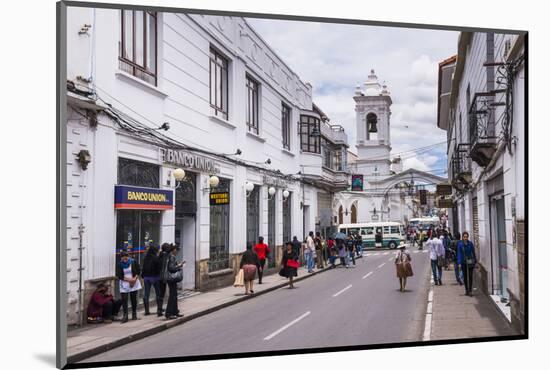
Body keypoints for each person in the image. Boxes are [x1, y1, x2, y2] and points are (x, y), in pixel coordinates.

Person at [116, 251, 142, 323]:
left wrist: (134, 279)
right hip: (124, 283)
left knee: (133, 298)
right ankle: (125, 315)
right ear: (121, 258)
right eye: (123, 258)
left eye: (126, 257)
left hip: (134, 281)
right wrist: (129, 280)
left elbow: (138, 271)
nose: (125, 259)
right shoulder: (119, 265)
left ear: (128, 256)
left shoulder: (133, 262)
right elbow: (119, 276)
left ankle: (134, 314)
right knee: (124, 299)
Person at [162, 244, 184, 319]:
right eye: (177, 250)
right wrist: (179, 266)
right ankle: (169, 313)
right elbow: (171, 268)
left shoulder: (170, 256)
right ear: (174, 250)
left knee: (174, 295)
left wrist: (178, 265)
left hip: (170, 279)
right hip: (171, 279)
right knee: (172, 296)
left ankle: (175, 311)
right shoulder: (171, 257)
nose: (177, 252)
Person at [141, 244, 162, 316]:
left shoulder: (146, 258)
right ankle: (159, 310)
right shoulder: (156, 258)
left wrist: (143, 276)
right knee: (158, 293)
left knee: (146, 294)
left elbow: (143, 268)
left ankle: (147, 311)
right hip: (155, 278)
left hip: (146, 278)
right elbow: (159, 268)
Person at [457, 231, 477, 296]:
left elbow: (473, 253)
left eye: (466, 237)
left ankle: (470, 290)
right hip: (463, 262)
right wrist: (459, 263)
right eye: (464, 237)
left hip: (470, 261)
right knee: (465, 277)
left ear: (468, 237)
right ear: (462, 237)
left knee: (470, 276)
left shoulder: (470, 244)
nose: (465, 238)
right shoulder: (460, 244)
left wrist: (475, 261)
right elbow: (459, 254)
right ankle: (466, 290)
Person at [157, 243, 171, 317]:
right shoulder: (165, 256)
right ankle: (159, 310)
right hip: (163, 277)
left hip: (159, 277)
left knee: (160, 294)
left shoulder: (160, 255)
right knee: (161, 293)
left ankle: (159, 309)